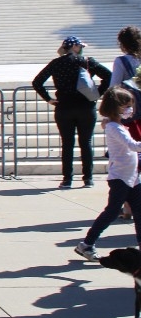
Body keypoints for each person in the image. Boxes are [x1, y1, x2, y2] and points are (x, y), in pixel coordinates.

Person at [32, 36, 111, 188]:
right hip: (86, 107)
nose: (82, 49)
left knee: (67, 144)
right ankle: (88, 178)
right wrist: (97, 93)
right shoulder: (87, 62)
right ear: (74, 47)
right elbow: (109, 76)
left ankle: (67, 178)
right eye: (80, 46)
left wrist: (48, 98)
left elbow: (37, 82)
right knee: (86, 142)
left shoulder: (56, 63)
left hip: (64, 107)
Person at [74, 88, 141, 261]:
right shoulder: (113, 127)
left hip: (132, 177)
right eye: (127, 106)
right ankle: (87, 244)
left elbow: (132, 150)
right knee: (111, 212)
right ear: (115, 107)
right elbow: (132, 145)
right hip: (120, 178)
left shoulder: (118, 126)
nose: (130, 110)